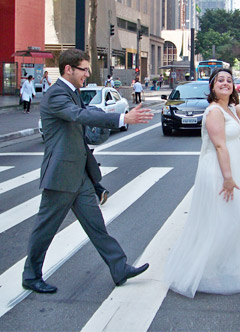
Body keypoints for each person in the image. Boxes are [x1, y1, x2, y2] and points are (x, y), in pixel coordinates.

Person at [22, 49, 154, 294]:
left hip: (79, 174)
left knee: (96, 225)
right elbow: (80, 115)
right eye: (84, 69)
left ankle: (118, 267)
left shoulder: (72, 93)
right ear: (68, 69)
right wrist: (122, 118)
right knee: (46, 228)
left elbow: (84, 119)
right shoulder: (56, 95)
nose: (87, 74)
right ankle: (31, 275)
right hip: (61, 175)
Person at [164, 68, 240, 297]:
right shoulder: (214, 112)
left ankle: (218, 265)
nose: (225, 83)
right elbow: (219, 145)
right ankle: (201, 269)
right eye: (220, 80)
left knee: (229, 219)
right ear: (212, 86)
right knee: (222, 221)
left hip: (230, 167)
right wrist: (228, 178)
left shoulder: (231, 109)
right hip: (218, 171)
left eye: (229, 80)